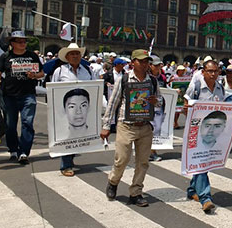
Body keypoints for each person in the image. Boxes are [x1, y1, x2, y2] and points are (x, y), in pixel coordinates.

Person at [101, 49, 160, 207]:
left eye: (146, 61)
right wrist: (106, 125)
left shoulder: (153, 81)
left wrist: (156, 101)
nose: (144, 64)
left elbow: (160, 101)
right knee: (122, 159)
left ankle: (136, 192)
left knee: (143, 162)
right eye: (140, 61)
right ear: (133, 62)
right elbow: (113, 103)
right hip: (126, 125)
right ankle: (113, 182)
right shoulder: (124, 79)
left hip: (145, 126)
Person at [0, 31, 44, 164]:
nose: (23, 44)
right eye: (20, 41)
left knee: (27, 123)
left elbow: (41, 73)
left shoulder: (32, 55)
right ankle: (13, 150)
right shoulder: (6, 56)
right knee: (10, 125)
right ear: (12, 43)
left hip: (28, 94)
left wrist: (34, 76)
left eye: (24, 41)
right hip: (9, 95)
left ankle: (24, 152)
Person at [184, 60, 225, 213]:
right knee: (201, 161)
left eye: (215, 71)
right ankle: (205, 197)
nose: (213, 74)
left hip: (211, 131)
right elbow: (186, 101)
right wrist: (188, 109)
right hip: (196, 130)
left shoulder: (220, 88)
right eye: (210, 71)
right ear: (203, 72)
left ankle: (192, 189)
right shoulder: (196, 86)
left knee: (203, 162)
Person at [50, 42, 95, 176]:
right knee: (66, 135)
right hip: (66, 109)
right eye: (72, 54)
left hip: (83, 108)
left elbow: (94, 88)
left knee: (78, 135)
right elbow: (53, 90)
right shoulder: (60, 71)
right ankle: (66, 165)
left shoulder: (88, 70)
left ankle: (70, 157)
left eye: (77, 53)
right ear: (67, 57)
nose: (75, 56)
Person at [149, 55, 166, 162]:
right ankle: (148, 151)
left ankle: (152, 151)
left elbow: (165, 90)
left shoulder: (162, 77)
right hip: (148, 108)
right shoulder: (147, 77)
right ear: (150, 66)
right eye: (155, 65)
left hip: (159, 108)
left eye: (159, 65)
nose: (158, 67)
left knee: (156, 130)